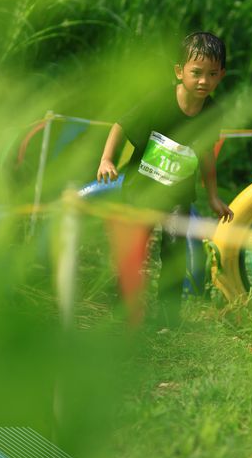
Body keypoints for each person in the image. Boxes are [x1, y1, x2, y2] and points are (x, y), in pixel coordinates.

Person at [96, 31, 233, 327]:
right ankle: (123, 309)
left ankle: (168, 317)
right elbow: (121, 125)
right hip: (141, 191)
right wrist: (107, 159)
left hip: (177, 196)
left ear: (221, 75)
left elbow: (206, 154)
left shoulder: (212, 113)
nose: (204, 81)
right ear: (179, 71)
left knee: (173, 255)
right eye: (196, 73)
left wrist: (212, 196)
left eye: (212, 74)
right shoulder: (159, 101)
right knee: (134, 249)